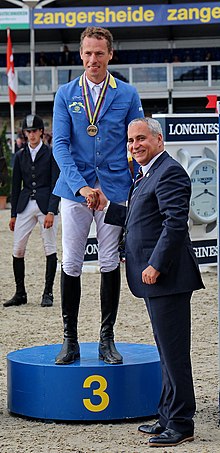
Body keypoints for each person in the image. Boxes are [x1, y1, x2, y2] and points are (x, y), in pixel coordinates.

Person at [93, 117, 204, 447]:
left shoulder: (170, 172)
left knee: (174, 355)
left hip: (167, 278)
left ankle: (182, 423)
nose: (134, 145)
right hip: (154, 280)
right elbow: (136, 218)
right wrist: (105, 206)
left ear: (159, 140)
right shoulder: (146, 175)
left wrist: (156, 264)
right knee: (165, 352)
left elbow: (174, 225)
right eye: (130, 141)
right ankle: (168, 414)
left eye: (141, 138)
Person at [52, 26, 144, 366]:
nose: (93, 59)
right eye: (88, 53)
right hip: (75, 191)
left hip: (114, 191)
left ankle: (107, 339)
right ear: (80, 54)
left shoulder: (127, 93)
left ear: (110, 55)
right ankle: (70, 339)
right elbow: (60, 145)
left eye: (99, 53)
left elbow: (135, 142)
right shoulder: (65, 93)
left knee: (109, 261)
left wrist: (111, 185)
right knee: (71, 262)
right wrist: (82, 187)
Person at [3, 114, 60, 308]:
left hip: (46, 203)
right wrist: (12, 215)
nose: (32, 135)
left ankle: (48, 292)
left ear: (41, 132)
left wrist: (52, 211)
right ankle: (20, 293)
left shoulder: (51, 153)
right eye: (28, 132)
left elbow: (55, 183)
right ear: (25, 134)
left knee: (49, 247)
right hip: (25, 203)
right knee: (18, 248)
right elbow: (15, 184)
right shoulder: (20, 155)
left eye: (35, 131)